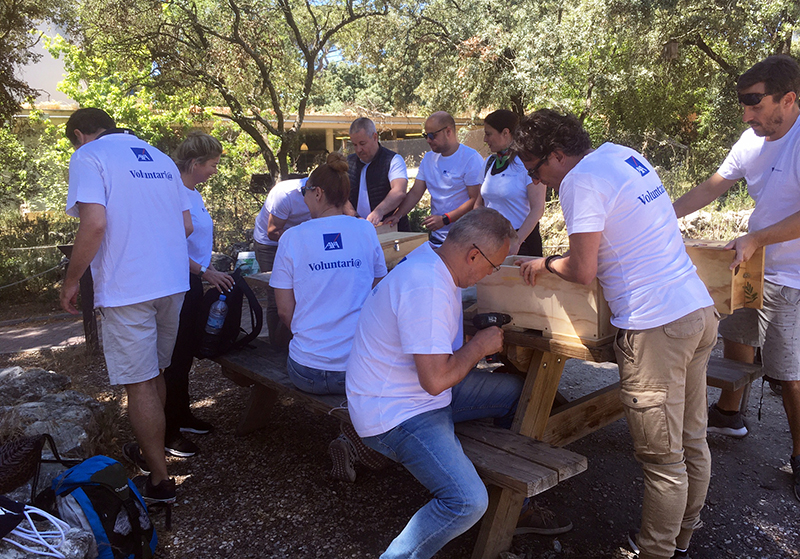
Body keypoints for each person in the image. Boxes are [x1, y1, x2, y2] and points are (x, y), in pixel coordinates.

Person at [515, 109, 717, 559]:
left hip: (655, 325)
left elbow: (582, 269)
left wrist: (544, 263)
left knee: (663, 461)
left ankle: (656, 551)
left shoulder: (578, 181)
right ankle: (683, 537)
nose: (538, 180)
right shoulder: (621, 154)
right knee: (691, 440)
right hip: (697, 310)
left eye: (535, 168)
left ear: (557, 154)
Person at [345, 207, 524, 559]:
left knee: (519, 393)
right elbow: (436, 380)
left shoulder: (432, 263)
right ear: (473, 253)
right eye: (492, 266)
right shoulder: (426, 286)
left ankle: (516, 496)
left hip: (411, 395)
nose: (490, 274)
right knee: (467, 501)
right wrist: (479, 346)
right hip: (397, 413)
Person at [673, 54, 800, 501]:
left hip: (794, 276)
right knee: (736, 331)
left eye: (754, 103)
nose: (747, 115)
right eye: (742, 104)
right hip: (757, 264)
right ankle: (731, 413)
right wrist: (661, 216)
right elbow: (712, 186)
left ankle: (799, 457)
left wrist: (757, 238)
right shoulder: (752, 140)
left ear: (788, 98)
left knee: (789, 372)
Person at [60, 108, 192, 504]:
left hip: (127, 286)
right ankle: (156, 452)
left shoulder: (89, 155)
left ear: (81, 134)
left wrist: (70, 280)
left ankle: (160, 481)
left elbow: (95, 224)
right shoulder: (159, 157)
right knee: (155, 374)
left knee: (139, 382)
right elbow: (186, 225)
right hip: (171, 281)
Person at [270, 152, 389, 482]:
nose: (304, 196)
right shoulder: (364, 232)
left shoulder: (293, 238)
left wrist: (312, 335)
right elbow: (379, 290)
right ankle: (356, 441)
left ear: (318, 193)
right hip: (357, 367)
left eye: (306, 190)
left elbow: (283, 310)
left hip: (306, 369)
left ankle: (352, 440)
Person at [159, 132, 234, 459]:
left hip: (192, 284)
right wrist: (205, 272)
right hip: (176, 283)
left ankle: (182, 414)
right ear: (194, 163)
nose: (215, 170)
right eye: (212, 165)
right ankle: (167, 430)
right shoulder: (173, 192)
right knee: (173, 358)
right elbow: (170, 245)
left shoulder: (194, 193)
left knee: (185, 354)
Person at [385, 111, 483, 243]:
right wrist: (397, 215)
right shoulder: (428, 159)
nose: (428, 140)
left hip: (465, 238)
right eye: (425, 135)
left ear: (448, 132)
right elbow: (415, 193)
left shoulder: (471, 158)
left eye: (432, 135)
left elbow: (475, 200)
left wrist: (445, 219)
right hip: (437, 238)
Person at [476, 109, 546, 256]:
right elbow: (479, 204)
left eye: (488, 134)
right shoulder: (489, 163)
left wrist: (517, 241)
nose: (485, 139)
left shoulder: (528, 163)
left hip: (522, 244)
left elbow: (538, 208)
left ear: (506, 133)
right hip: (491, 241)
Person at [253, 177, 312, 350]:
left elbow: (349, 211)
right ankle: (277, 348)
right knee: (276, 296)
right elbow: (273, 232)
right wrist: (301, 240)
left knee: (298, 293)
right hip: (269, 245)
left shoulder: (328, 191)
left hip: (301, 242)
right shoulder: (285, 194)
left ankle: (294, 342)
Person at [347, 117, 409, 230]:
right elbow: (339, 196)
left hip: (389, 228)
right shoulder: (348, 163)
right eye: (355, 145)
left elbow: (399, 191)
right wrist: (354, 216)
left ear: (375, 137)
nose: (358, 149)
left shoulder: (393, 160)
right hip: (357, 230)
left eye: (362, 143)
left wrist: (378, 212)